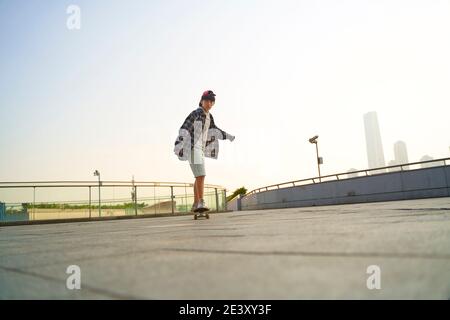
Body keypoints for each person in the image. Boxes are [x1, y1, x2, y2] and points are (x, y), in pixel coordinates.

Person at [174, 90, 235, 213]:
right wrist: (179, 144)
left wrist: (226, 136)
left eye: (211, 101)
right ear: (201, 101)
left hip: (200, 148)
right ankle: (201, 202)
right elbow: (185, 127)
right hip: (192, 146)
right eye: (206, 100)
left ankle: (196, 203)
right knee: (201, 174)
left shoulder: (209, 117)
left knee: (198, 176)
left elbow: (214, 130)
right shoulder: (196, 113)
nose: (209, 103)